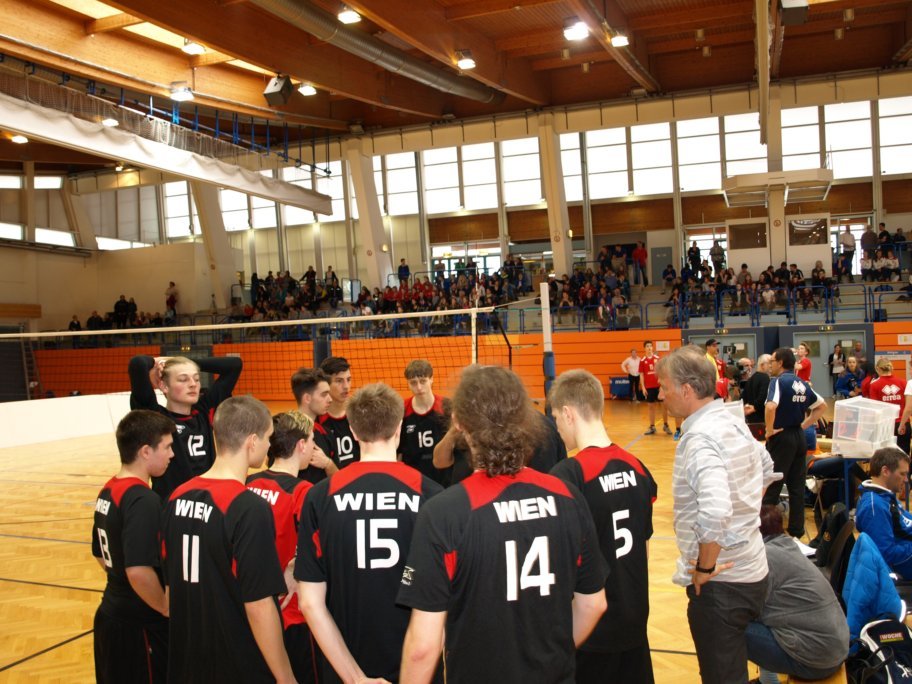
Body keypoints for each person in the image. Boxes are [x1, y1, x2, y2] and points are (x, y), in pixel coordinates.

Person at [397, 365, 607, 683]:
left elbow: (422, 648)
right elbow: (593, 604)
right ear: (524, 419)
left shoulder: (444, 513)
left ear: (458, 422)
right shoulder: (568, 496)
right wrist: (555, 655)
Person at [295, 383, 442, 683]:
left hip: (344, 664)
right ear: (399, 427)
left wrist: (356, 679)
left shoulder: (319, 497)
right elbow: (442, 602)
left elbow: (309, 602)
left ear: (353, 430)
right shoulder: (433, 495)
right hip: (415, 668)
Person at [657, 345, 780, 684]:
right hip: (752, 568)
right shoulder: (731, 420)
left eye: (664, 387)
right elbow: (767, 467)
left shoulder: (700, 438)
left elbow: (714, 511)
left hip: (722, 585)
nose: (661, 395)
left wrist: (705, 567)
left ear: (686, 390)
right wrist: (744, 514)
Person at [161, 396, 295, 684]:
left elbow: (170, 592)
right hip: (235, 662)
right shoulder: (248, 507)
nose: (270, 445)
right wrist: (286, 677)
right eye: (268, 437)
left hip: (187, 658)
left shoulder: (176, 497)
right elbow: (259, 606)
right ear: (252, 441)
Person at [549, 370, 657, 683]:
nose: (557, 428)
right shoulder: (638, 467)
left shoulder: (569, 475)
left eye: (555, 418)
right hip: (635, 618)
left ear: (568, 413)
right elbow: (644, 547)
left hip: (591, 628)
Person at [92, 410, 174, 684]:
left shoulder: (109, 490)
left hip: (111, 616)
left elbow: (99, 554)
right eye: (167, 447)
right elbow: (138, 571)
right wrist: (164, 606)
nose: (172, 454)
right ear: (146, 451)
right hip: (140, 628)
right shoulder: (143, 500)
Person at [246, 411, 317, 684]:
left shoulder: (248, 483)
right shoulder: (303, 492)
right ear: (301, 445)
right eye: (312, 440)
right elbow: (316, 550)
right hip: (293, 615)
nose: (314, 447)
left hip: (252, 608)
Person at [745, 505, 849, 684]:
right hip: (834, 651)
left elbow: (746, 608)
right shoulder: (787, 546)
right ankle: (766, 681)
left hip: (817, 662)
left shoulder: (766, 557)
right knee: (768, 614)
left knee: (726, 625)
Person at [128, 354, 242, 500]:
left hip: (207, 503)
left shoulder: (204, 411)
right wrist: (157, 362)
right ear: (164, 386)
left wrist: (183, 361)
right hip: (172, 505)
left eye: (197, 379)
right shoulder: (154, 416)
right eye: (183, 379)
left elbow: (235, 365)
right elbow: (137, 364)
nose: (193, 384)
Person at [764, 347, 827, 538]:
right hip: (799, 438)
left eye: (772, 361)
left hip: (781, 437)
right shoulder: (803, 383)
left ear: (781, 363)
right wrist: (803, 426)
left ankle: (766, 531)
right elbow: (822, 406)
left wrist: (769, 430)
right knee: (797, 487)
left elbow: (770, 406)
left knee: (772, 485)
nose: (770, 365)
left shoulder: (777, 382)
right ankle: (797, 531)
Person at [855, 447, 912, 579]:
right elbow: (886, 554)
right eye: (902, 474)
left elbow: (903, 520)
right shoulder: (875, 506)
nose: (906, 480)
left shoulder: (885, 495)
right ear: (885, 471)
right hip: (902, 565)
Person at [398, 360, 449, 485]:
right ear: (408, 383)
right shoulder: (401, 410)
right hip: (413, 478)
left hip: (443, 476)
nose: (419, 387)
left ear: (431, 379)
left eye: (423, 381)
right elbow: (398, 451)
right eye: (413, 383)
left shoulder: (447, 407)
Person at [291, 367, 340, 484]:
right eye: (324, 394)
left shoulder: (326, 434)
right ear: (307, 398)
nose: (330, 399)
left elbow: (339, 479)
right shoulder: (282, 433)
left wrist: (328, 464)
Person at [318, 356, 360, 467]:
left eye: (348, 380)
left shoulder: (360, 414)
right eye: (339, 381)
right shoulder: (318, 421)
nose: (346, 386)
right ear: (326, 384)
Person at [869, 358, 910, 455]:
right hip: (903, 423)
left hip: (885, 426)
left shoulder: (874, 385)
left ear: (877, 369)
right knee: (904, 456)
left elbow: (875, 408)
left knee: (886, 457)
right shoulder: (903, 382)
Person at [640, 341, 674, 436]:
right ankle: (652, 427)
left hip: (659, 386)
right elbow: (641, 375)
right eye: (647, 346)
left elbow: (662, 372)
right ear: (644, 348)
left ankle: (666, 425)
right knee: (651, 407)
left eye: (650, 346)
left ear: (652, 348)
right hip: (649, 387)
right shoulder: (642, 361)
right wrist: (643, 387)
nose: (649, 348)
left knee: (664, 406)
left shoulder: (657, 359)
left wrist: (662, 386)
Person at [742, 354, 772, 422]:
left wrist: (747, 407)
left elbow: (743, 397)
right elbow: (763, 398)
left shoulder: (750, 379)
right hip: (761, 418)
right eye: (770, 363)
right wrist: (754, 407)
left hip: (750, 419)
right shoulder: (765, 378)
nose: (771, 366)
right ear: (762, 365)